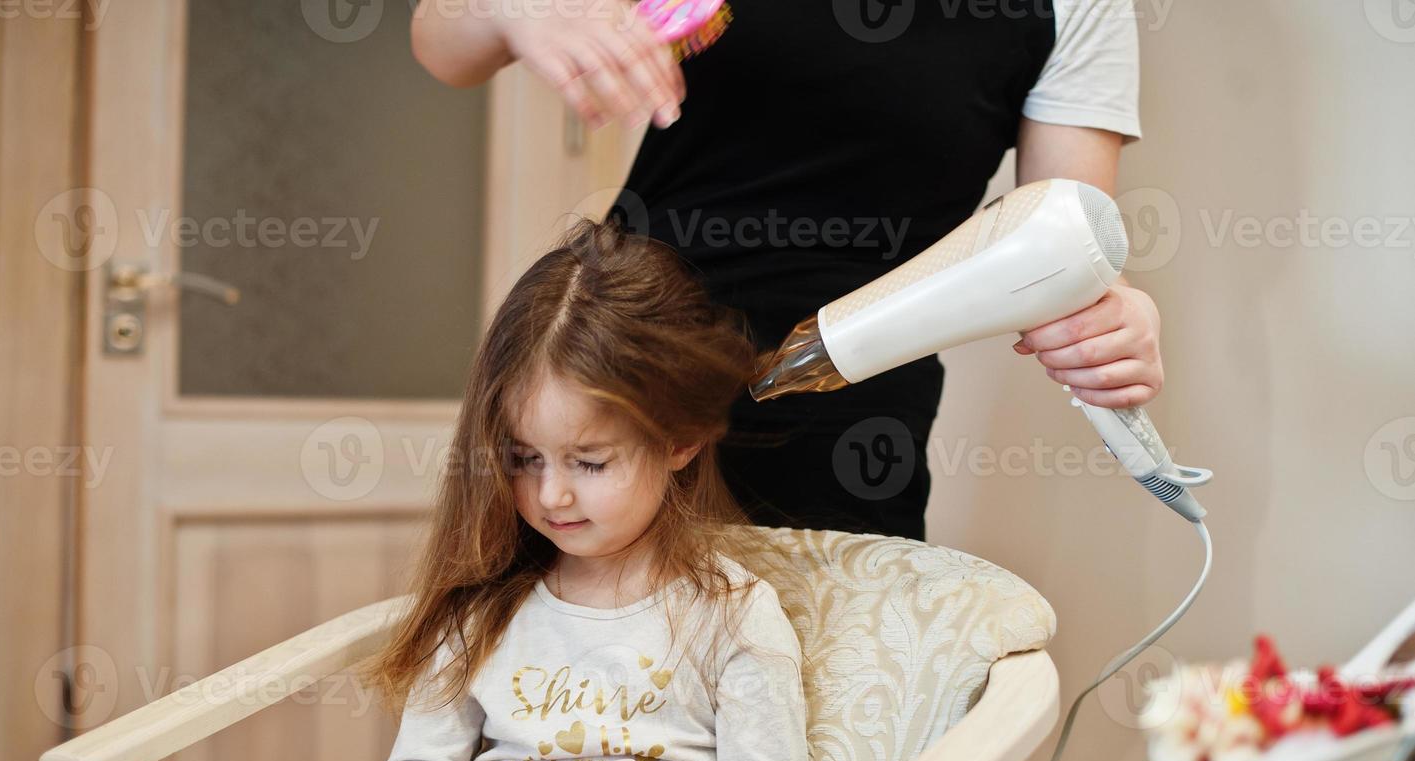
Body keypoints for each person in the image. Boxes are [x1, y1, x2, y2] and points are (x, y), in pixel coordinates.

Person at [411, 0, 1164, 541]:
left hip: (851, 405)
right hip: (624, 373)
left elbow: (1062, 236)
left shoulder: (1078, 8)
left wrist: (1115, 316)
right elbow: (442, 41)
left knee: (822, 714)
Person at [305, 218, 811, 761]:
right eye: (522, 458)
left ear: (679, 439)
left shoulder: (732, 614)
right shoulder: (484, 607)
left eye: (589, 460)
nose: (551, 493)